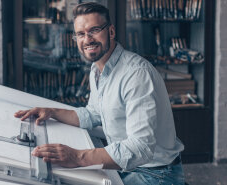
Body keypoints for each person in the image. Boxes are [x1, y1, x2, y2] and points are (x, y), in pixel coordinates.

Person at [14, 2, 185, 185]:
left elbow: (141, 147)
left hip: (156, 174)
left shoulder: (136, 74)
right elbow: (94, 113)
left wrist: (77, 156)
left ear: (111, 32)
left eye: (94, 30)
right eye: (80, 34)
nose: (87, 39)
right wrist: (52, 112)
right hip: (127, 167)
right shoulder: (97, 70)